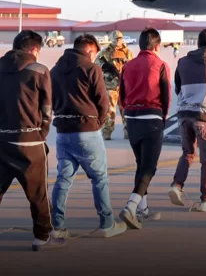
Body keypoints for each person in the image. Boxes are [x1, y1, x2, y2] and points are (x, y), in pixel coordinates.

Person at [50, 34, 127, 238]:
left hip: (62, 132)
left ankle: (57, 227)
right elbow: (103, 103)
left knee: (63, 180)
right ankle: (107, 224)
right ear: (90, 51)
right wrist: (97, 123)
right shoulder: (92, 69)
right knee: (99, 177)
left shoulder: (55, 70)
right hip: (87, 132)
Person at [0, 30, 66, 251]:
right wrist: (41, 132)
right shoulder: (39, 70)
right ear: (35, 50)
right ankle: (42, 236)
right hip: (29, 141)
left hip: (1, 140)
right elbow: (47, 108)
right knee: (38, 194)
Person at [168, 29, 206, 212]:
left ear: (198, 43)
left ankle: (177, 185)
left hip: (184, 114)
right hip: (205, 115)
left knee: (187, 152)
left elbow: (178, 87)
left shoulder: (183, 61)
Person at [118, 28, 171, 229]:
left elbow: (121, 97)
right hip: (152, 117)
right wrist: (162, 119)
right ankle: (131, 206)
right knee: (149, 167)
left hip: (131, 119)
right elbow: (166, 97)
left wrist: (127, 114)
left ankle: (143, 209)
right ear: (157, 46)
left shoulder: (127, 66)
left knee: (141, 164)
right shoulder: (160, 65)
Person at [95, 30, 133, 140]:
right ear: (111, 39)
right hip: (110, 85)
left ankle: (128, 132)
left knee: (125, 110)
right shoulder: (105, 52)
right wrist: (105, 68)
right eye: (116, 39)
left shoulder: (127, 52)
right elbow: (97, 64)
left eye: (120, 38)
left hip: (124, 85)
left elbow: (132, 65)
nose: (118, 41)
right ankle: (107, 133)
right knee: (109, 111)